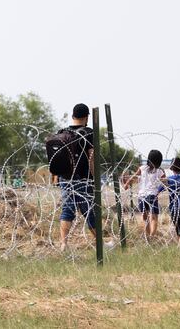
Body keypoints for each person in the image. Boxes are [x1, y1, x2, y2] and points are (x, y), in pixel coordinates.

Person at [49, 104, 101, 252]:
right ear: (86, 117)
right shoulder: (88, 132)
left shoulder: (62, 132)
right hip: (83, 178)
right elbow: (92, 158)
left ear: (73, 116)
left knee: (67, 209)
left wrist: (56, 177)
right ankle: (100, 244)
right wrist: (95, 179)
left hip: (65, 178)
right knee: (90, 210)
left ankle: (64, 244)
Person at [124, 149, 165, 240]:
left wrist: (127, 184)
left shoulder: (144, 168)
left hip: (142, 196)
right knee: (152, 217)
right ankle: (151, 236)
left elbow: (133, 177)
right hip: (150, 196)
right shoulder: (158, 171)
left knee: (146, 217)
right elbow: (165, 183)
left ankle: (149, 236)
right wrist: (159, 190)